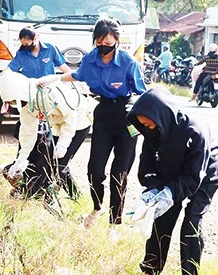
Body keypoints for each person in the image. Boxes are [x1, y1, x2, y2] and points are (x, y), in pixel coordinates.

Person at [38, 17, 147, 229]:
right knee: (95, 169)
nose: (104, 47)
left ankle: (114, 225)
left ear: (116, 40)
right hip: (104, 114)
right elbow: (78, 75)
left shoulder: (128, 62)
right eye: (100, 43)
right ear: (94, 41)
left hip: (127, 116)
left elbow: (142, 92)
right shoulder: (90, 59)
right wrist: (53, 78)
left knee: (119, 174)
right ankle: (97, 207)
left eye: (109, 43)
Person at [126, 85, 218, 275]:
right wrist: (152, 190)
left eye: (150, 124)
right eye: (144, 126)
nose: (147, 129)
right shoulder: (152, 131)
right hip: (171, 172)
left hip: (203, 176)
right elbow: (148, 165)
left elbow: (194, 174)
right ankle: (150, 270)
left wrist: (170, 193)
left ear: (161, 114)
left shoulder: (194, 130)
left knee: (191, 223)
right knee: (161, 218)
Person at [0, 72, 95, 200]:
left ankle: (76, 199)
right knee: (47, 162)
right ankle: (45, 197)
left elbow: (70, 117)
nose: (12, 105)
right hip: (57, 124)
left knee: (59, 166)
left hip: (79, 120)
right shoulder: (26, 105)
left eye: (12, 101)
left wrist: (63, 143)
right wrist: (20, 160)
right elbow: (28, 133)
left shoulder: (49, 93)